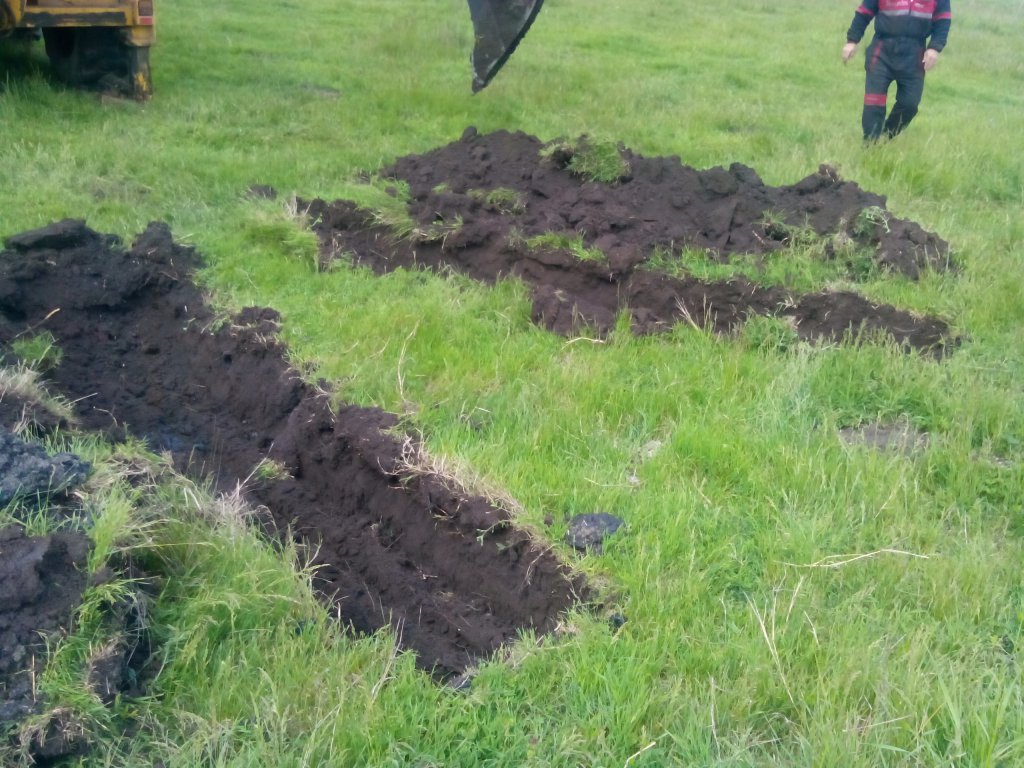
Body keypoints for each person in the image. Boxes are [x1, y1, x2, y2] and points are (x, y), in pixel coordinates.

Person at [841, 0, 952, 142]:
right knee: (874, 101)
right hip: (882, 50)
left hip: (915, 53)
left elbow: (943, 21)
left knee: (910, 104)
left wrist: (934, 48)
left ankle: (886, 136)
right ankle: (870, 143)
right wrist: (852, 41)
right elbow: (864, 13)